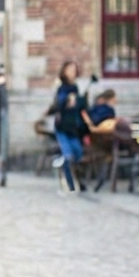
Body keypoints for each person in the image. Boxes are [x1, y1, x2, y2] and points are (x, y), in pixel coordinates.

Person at [49, 60, 90, 191]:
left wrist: (79, 100)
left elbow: (82, 106)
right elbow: (58, 104)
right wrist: (67, 100)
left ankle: (79, 180)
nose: (72, 73)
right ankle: (70, 184)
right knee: (68, 155)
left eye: (74, 70)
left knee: (77, 153)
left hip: (73, 127)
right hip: (62, 126)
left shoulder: (77, 88)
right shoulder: (61, 88)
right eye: (69, 70)